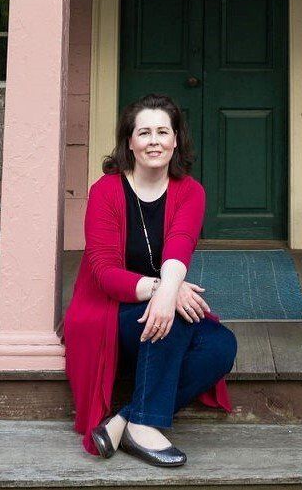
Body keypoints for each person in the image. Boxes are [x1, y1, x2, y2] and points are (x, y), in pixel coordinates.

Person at [63, 93, 237, 468]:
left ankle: (128, 418)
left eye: (163, 132)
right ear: (130, 141)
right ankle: (145, 428)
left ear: (176, 140)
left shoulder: (190, 191)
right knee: (170, 319)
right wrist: (164, 291)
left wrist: (167, 290)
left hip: (153, 306)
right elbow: (105, 273)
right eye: (144, 133)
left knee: (221, 345)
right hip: (107, 310)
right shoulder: (105, 191)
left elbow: (181, 245)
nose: (154, 141)